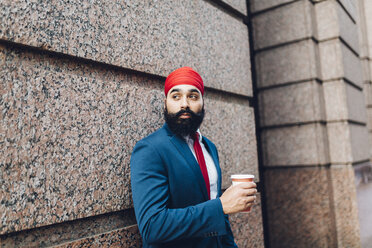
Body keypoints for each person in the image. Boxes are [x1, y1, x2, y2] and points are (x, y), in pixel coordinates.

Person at [130, 67, 257, 248]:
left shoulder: (209, 147)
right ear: (165, 104)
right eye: (176, 96)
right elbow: (152, 227)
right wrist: (220, 206)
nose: (184, 104)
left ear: (203, 104)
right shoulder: (150, 149)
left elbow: (222, 218)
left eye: (193, 96)